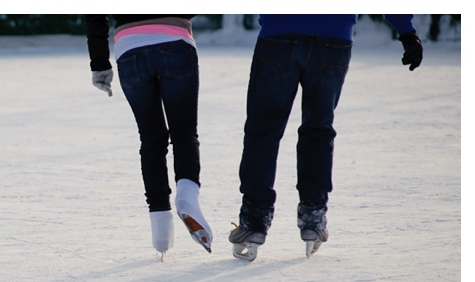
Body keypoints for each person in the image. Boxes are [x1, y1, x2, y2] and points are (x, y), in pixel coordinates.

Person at [228, 14, 423, 261]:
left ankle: (254, 221)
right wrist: (406, 30)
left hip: (280, 32)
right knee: (318, 130)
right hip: (334, 37)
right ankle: (313, 217)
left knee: (263, 130)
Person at [87, 15, 213, 259]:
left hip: (130, 49)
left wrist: (99, 63)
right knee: (184, 132)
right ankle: (187, 196)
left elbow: (95, 15)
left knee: (151, 139)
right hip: (174, 40)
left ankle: (161, 229)